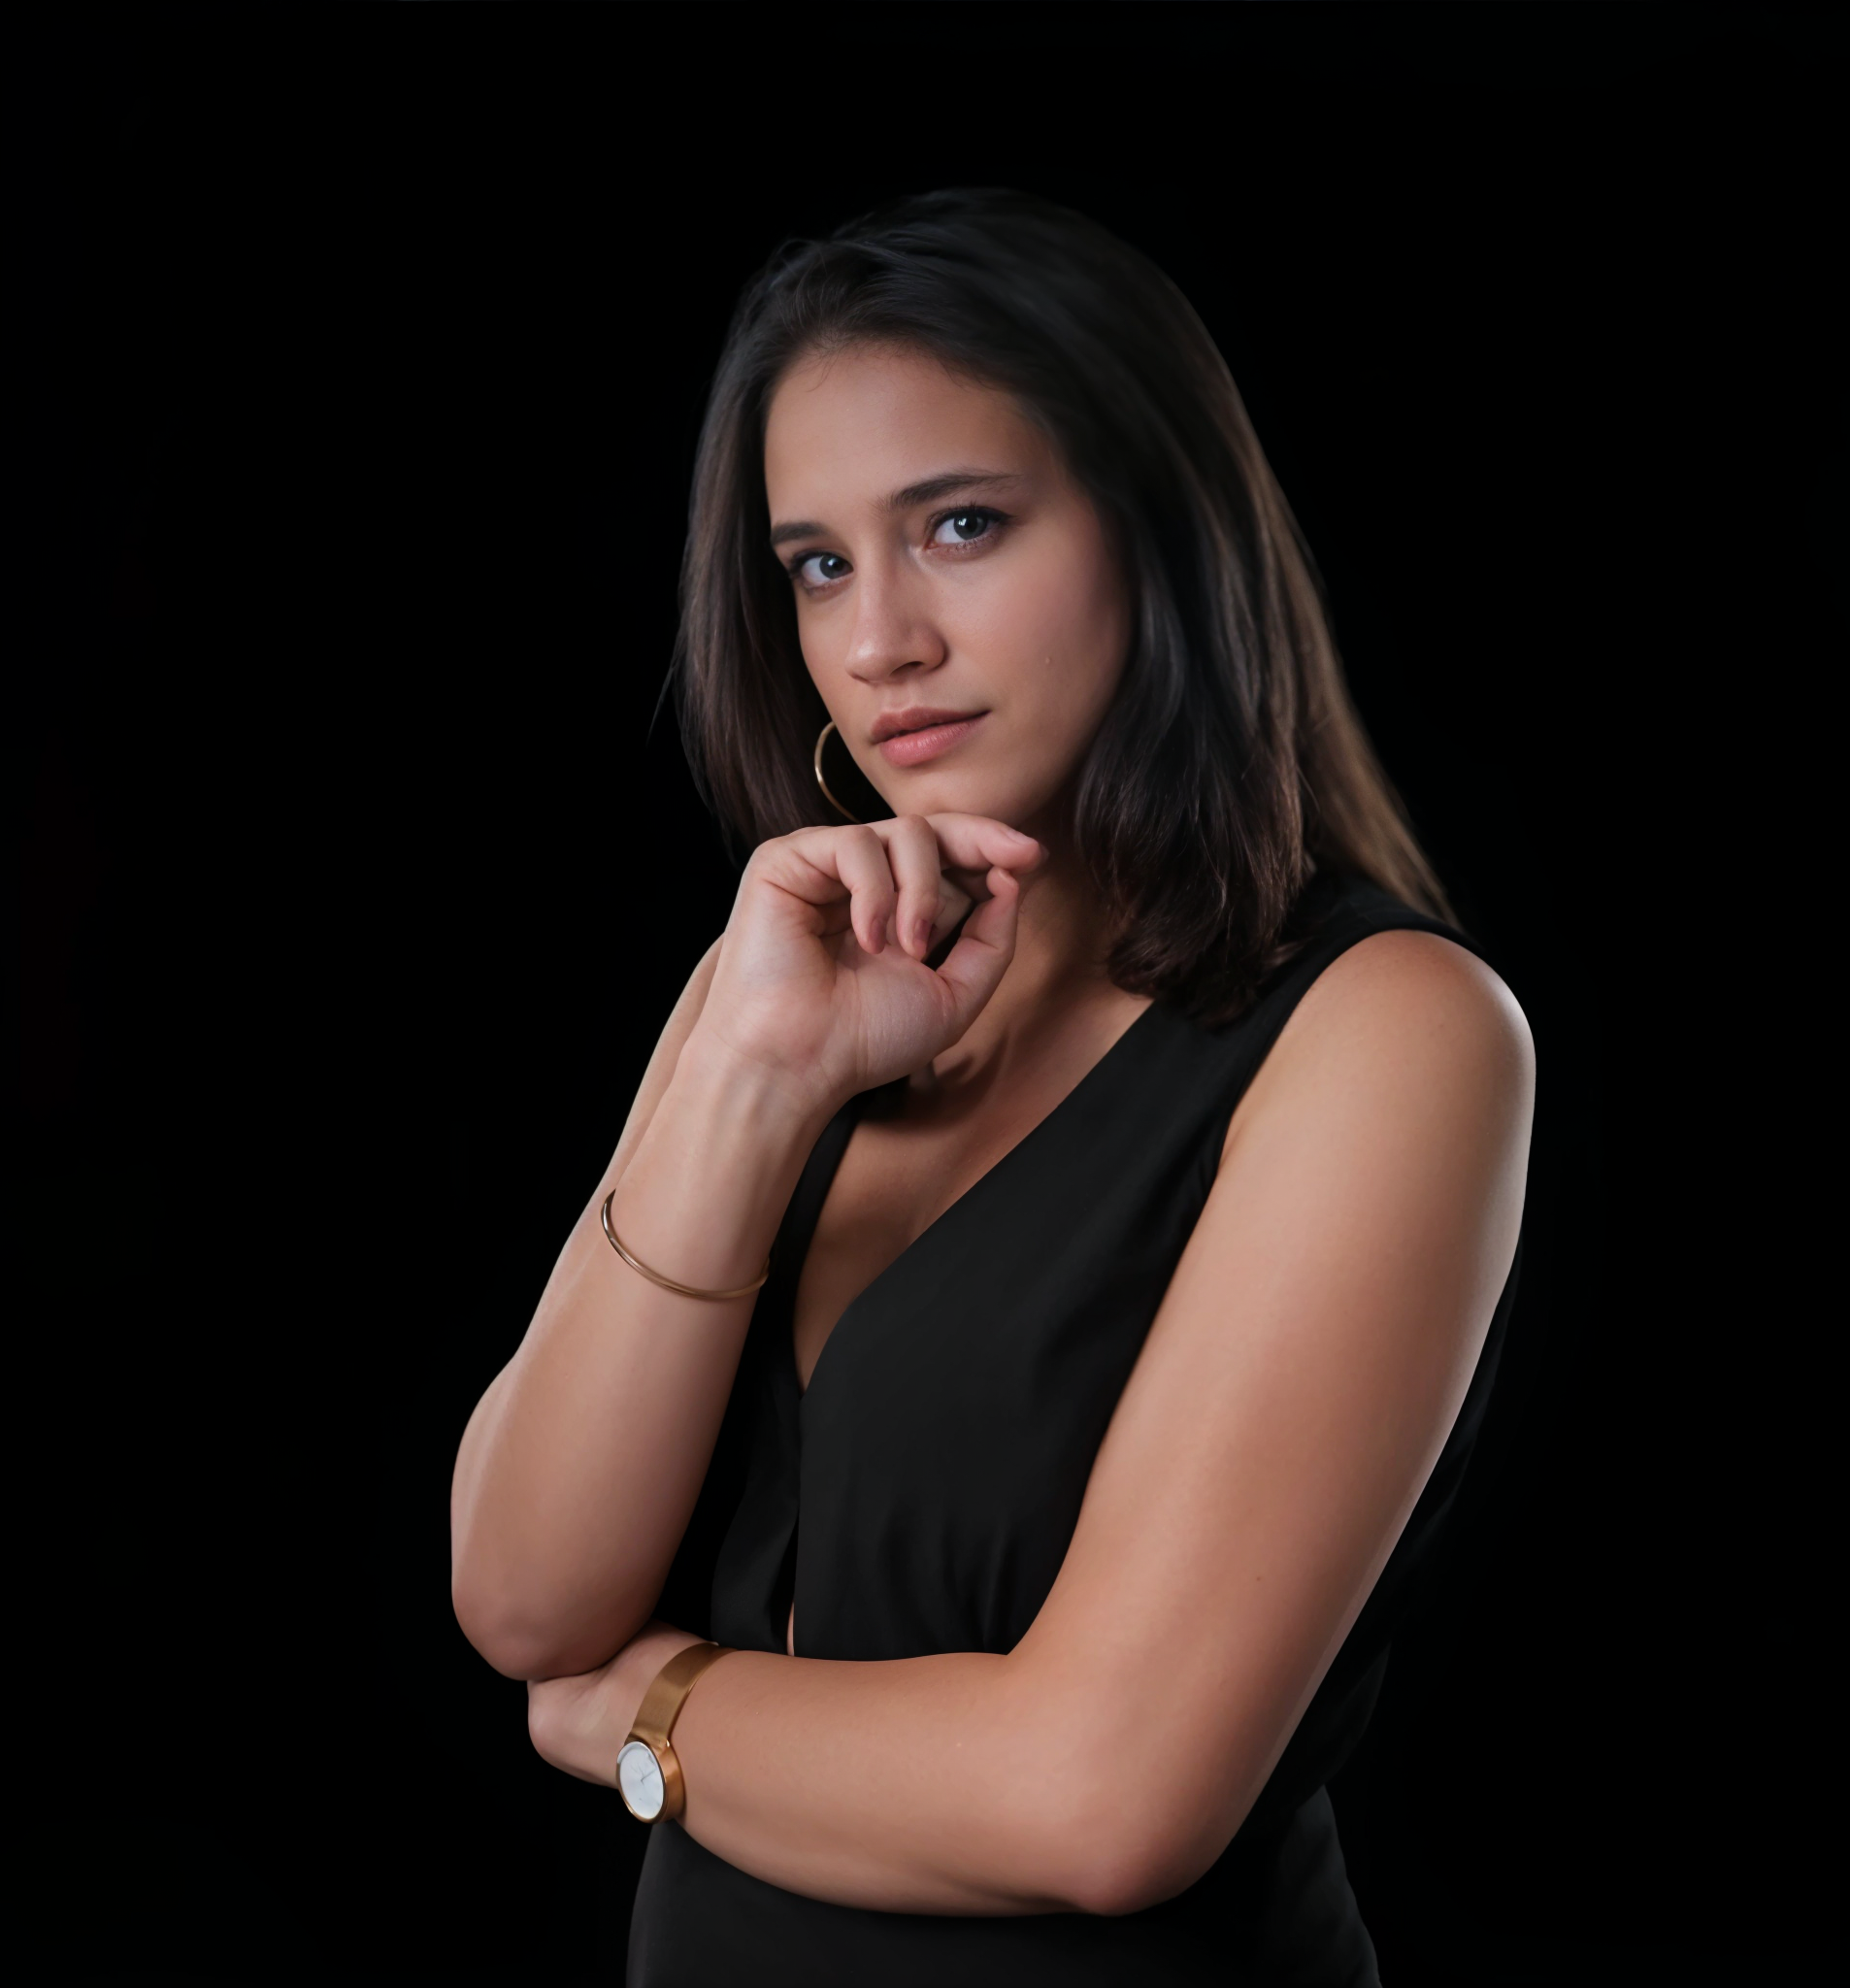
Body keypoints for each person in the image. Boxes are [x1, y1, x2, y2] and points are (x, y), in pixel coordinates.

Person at [449, 188, 1533, 1986]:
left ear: (1160, 532)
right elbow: (523, 1595)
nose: (879, 639)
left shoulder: (1387, 1032)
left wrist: (656, 1713)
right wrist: (752, 1079)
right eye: (817, 564)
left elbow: (1106, 1799)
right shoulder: (775, 986)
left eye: (960, 525)